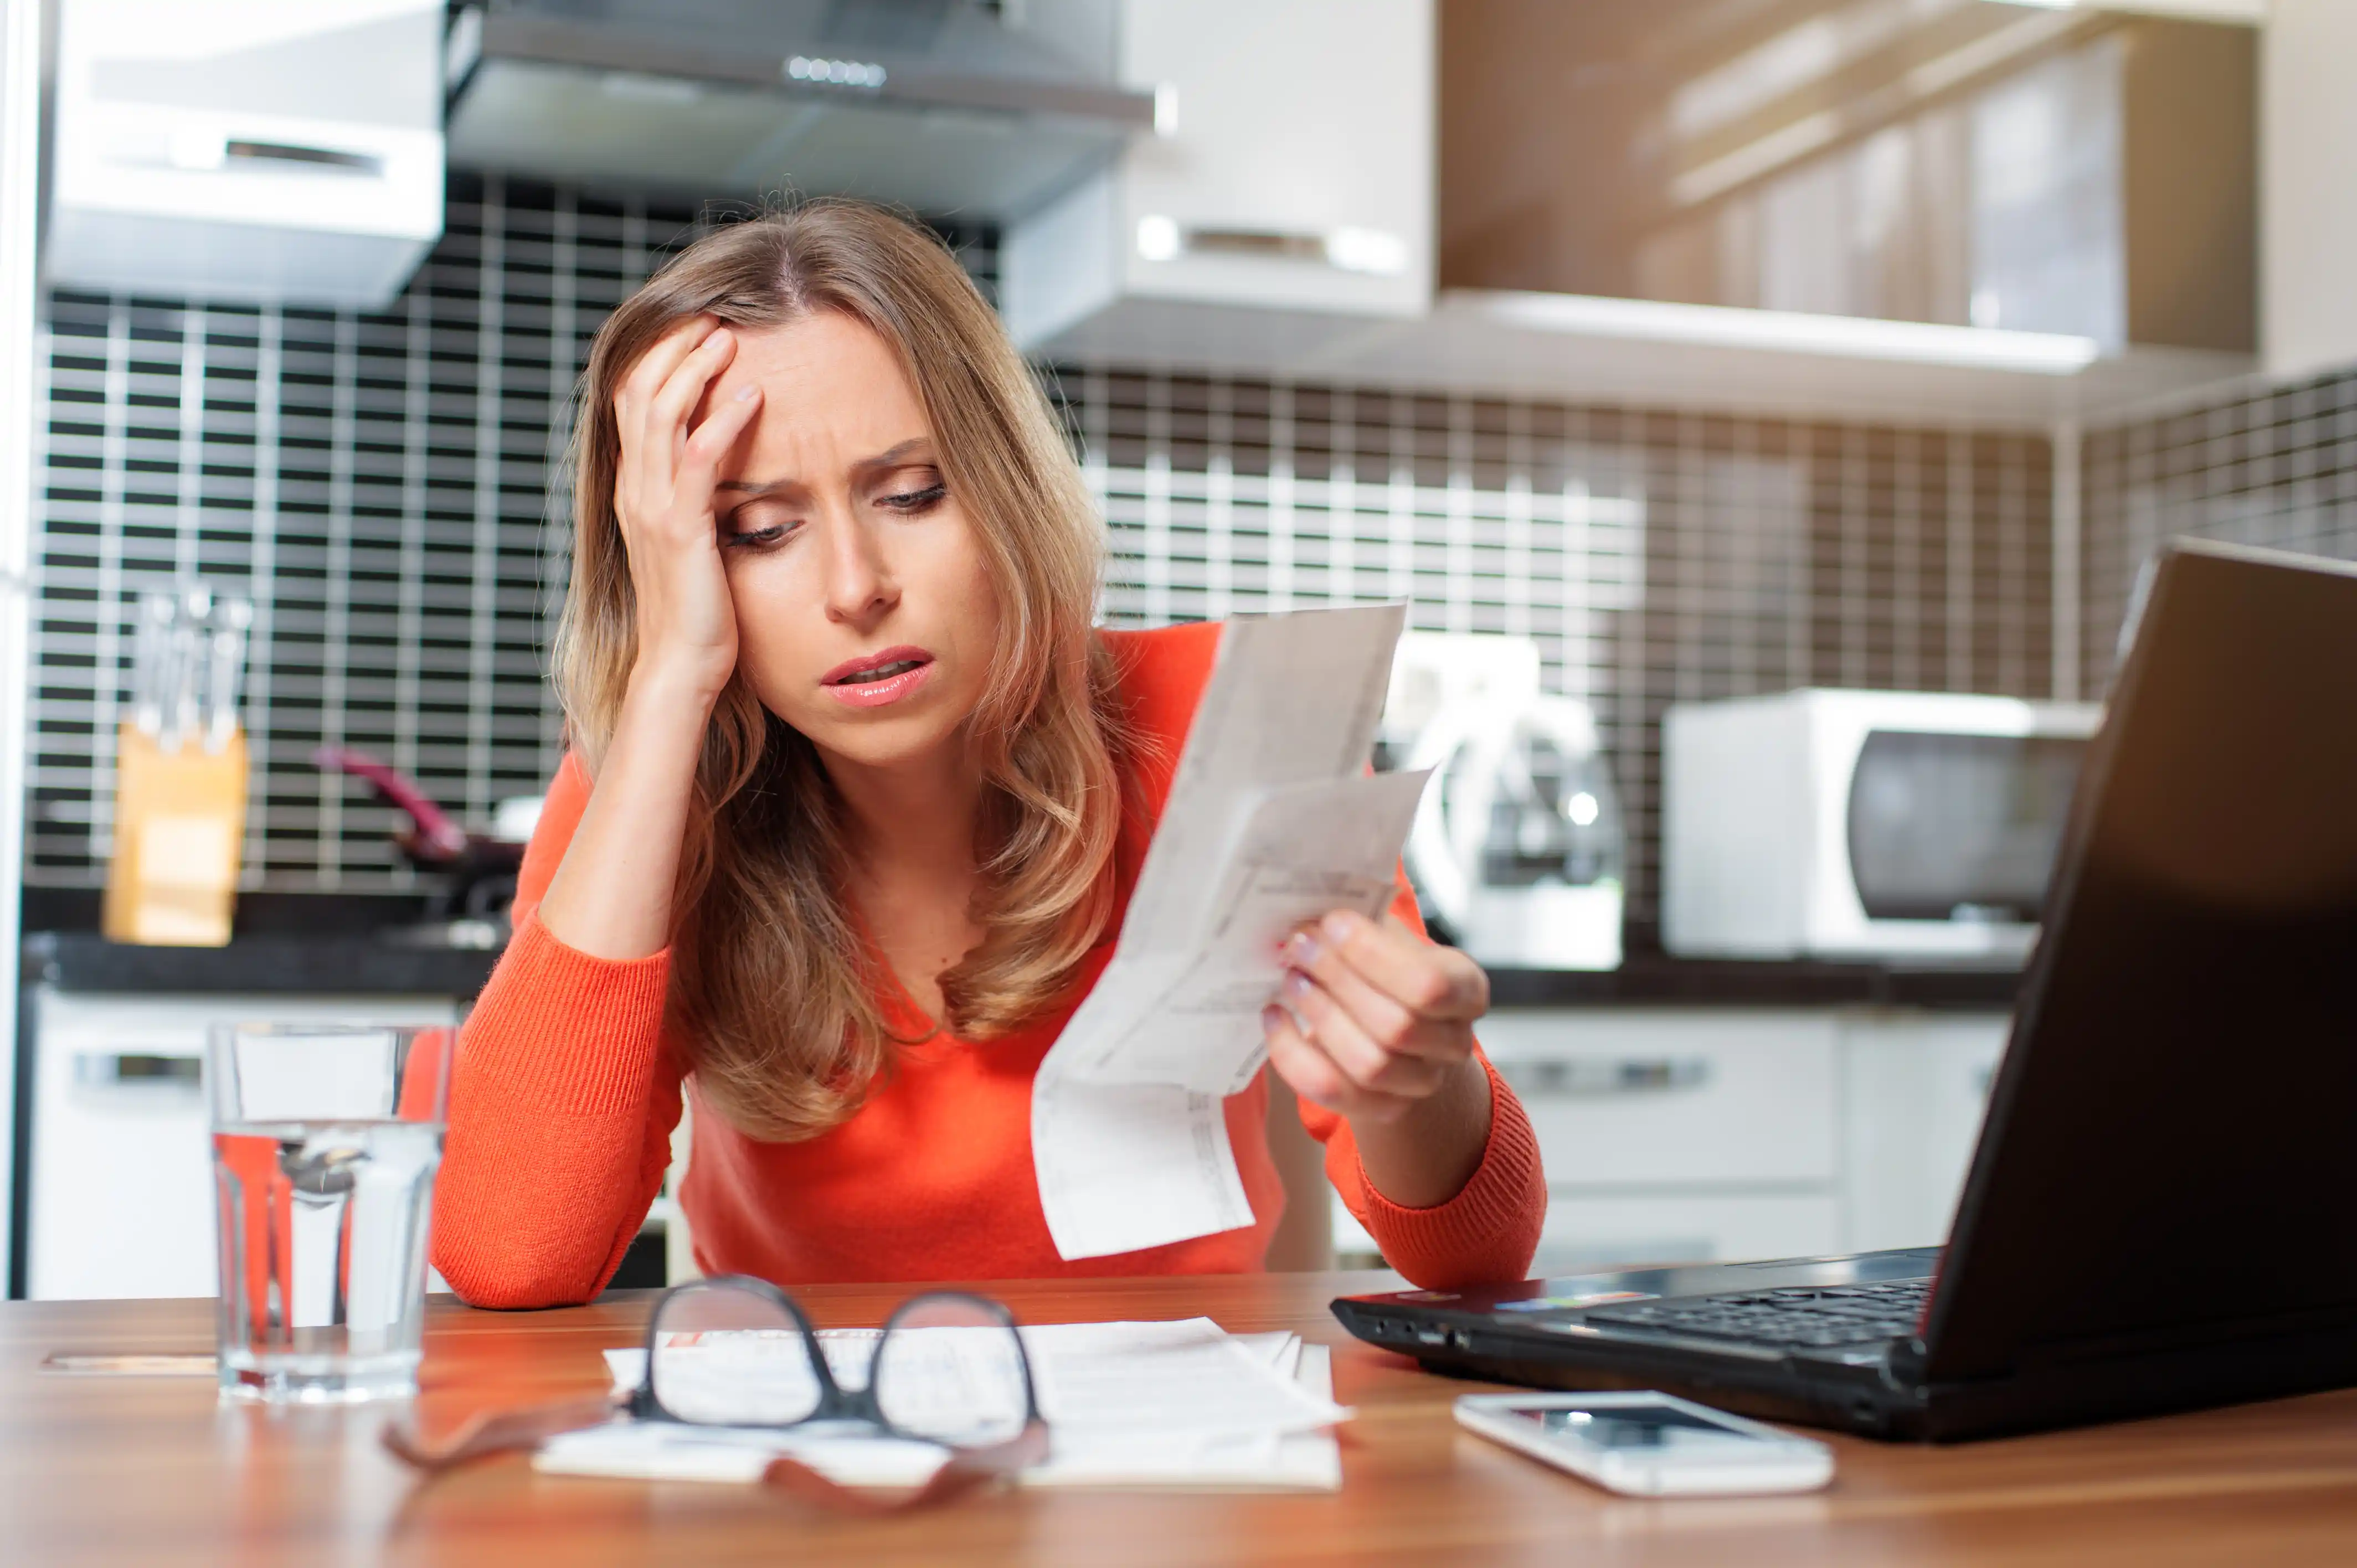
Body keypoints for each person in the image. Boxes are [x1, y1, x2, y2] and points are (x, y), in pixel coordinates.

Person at [432, 202, 1545, 1307]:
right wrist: (670, 675)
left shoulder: (1222, 725)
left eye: (915, 494)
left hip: (1179, 1450)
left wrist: (1416, 1079)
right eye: (760, 530)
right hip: (806, 1438)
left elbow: (1473, 1262)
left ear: (1005, 486)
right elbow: (507, 1255)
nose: (856, 586)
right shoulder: (651, 788)